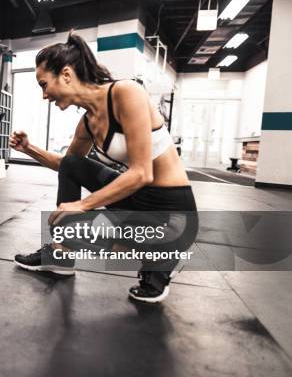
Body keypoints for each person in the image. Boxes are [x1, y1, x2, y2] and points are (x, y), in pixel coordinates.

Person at [10, 33, 197, 303]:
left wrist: (83, 205)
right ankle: (61, 253)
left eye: (44, 84)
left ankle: (165, 255)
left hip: (172, 212)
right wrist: (29, 149)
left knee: (144, 256)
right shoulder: (87, 123)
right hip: (136, 201)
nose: (44, 95)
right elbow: (67, 167)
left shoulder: (125, 92)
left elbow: (142, 173)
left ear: (65, 74)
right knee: (74, 163)